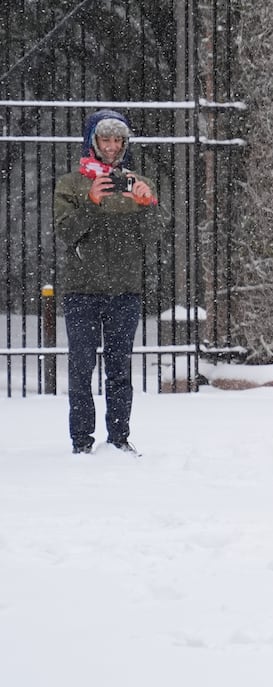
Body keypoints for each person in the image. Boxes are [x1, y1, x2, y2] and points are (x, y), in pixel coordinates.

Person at [52, 109, 161, 455]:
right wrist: (92, 202)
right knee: (81, 368)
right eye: (105, 139)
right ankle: (81, 443)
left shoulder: (137, 181)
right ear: (92, 141)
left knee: (120, 369)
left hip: (125, 290)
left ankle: (119, 440)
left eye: (118, 140)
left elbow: (155, 233)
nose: (112, 147)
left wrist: (149, 205)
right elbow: (66, 233)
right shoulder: (71, 184)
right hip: (82, 290)